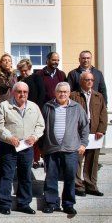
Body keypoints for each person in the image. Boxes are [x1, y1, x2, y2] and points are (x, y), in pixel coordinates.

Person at [0, 82, 45, 215]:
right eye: (19, 91)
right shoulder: (4, 106)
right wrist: (9, 137)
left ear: (27, 93)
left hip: (26, 147)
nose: (22, 94)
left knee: (25, 176)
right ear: (13, 92)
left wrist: (34, 137)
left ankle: (24, 204)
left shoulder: (34, 107)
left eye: (25, 92)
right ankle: (5, 204)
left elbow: (40, 125)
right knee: (6, 175)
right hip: (9, 146)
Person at [41, 82, 89, 215]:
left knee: (70, 177)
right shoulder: (48, 106)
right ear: (55, 93)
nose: (62, 94)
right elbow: (41, 127)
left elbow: (85, 126)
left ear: (69, 93)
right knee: (51, 177)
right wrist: (42, 147)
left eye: (65, 92)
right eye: (60, 91)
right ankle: (51, 203)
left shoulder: (77, 107)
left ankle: (68, 204)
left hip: (71, 149)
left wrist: (83, 144)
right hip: (52, 148)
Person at [70, 72, 107, 197]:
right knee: (77, 160)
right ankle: (78, 185)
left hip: (94, 132)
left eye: (91, 79)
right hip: (78, 133)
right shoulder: (74, 96)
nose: (90, 82)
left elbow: (103, 114)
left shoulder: (98, 96)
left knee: (92, 160)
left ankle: (91, 185)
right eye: (87, 79)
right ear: (81, 81)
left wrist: (101, 129)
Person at [18, 58, 46, 168]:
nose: (23, 72)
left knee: (36, 135)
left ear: (29, 68)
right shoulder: (20, 79)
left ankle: (36, 159)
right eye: (21, 70)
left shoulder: (36, 77)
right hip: (22, 111)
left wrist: (37, 109)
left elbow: (42, 93)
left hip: (35, 109)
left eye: (25, 70)